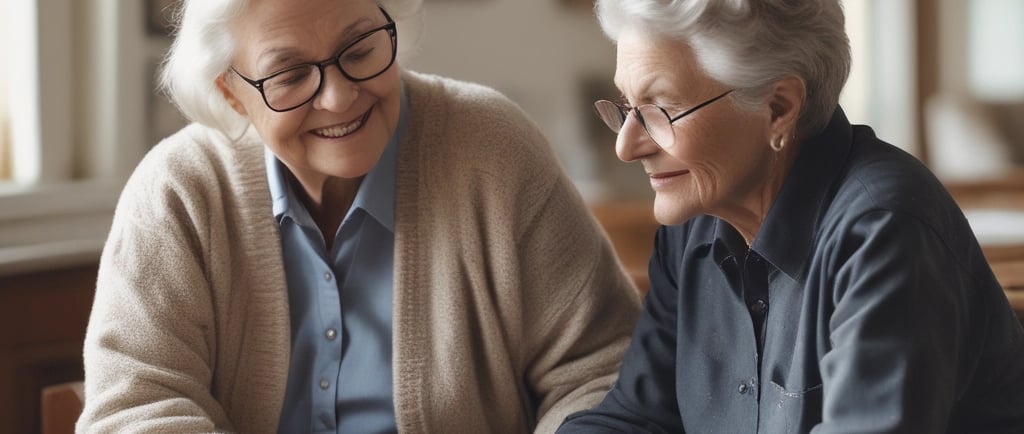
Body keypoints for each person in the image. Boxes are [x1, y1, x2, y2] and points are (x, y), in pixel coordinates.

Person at [77, 0, 642, 432]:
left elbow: (600, 370)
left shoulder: (494, 152)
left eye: (360, 48)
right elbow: (136, 405)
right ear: (231, 93)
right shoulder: (180, 192)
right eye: (291, 74)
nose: (339, 97)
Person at [558, 0, 1024, 432]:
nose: (626, 146)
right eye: (625, 107)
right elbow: (635, 418)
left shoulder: (884, 230)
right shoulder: (691, 230)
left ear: (779, 108)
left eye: (662, 108)